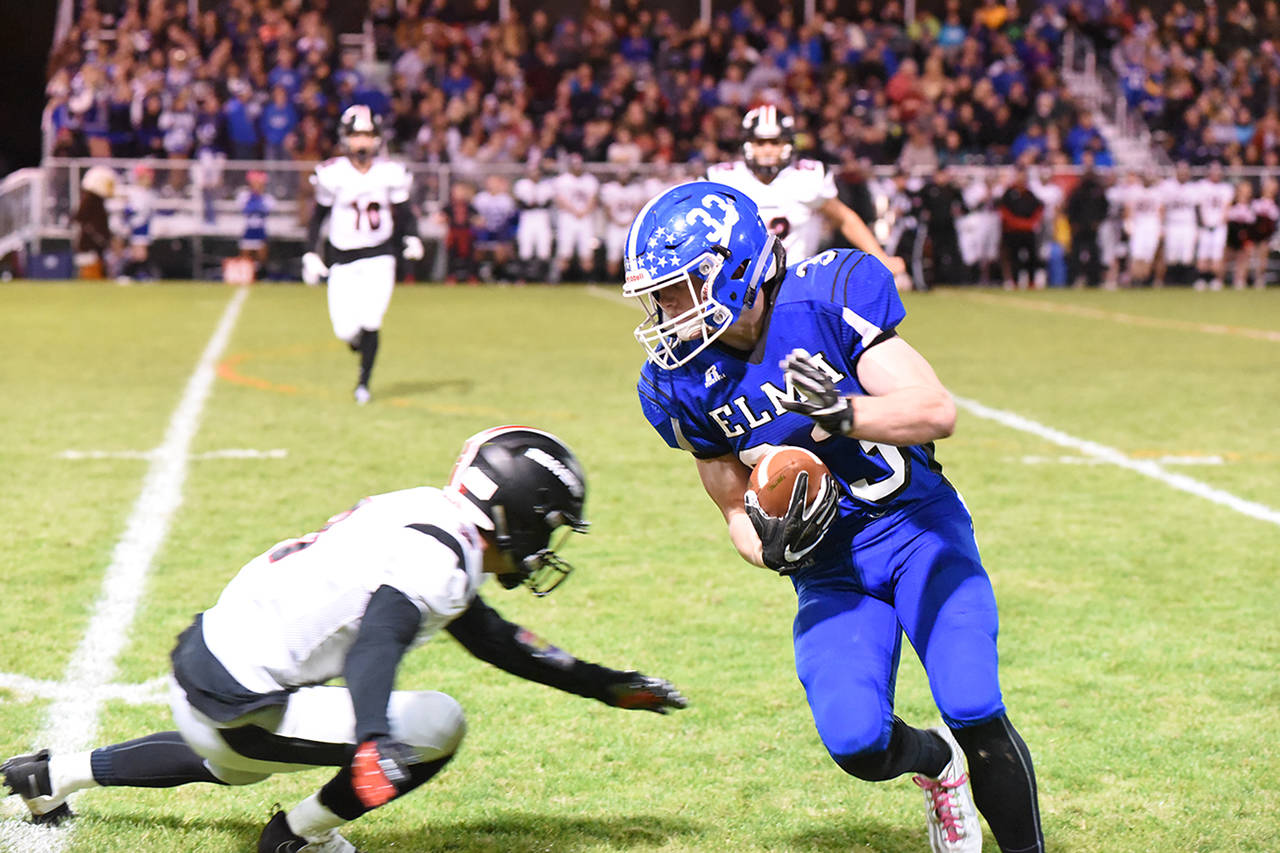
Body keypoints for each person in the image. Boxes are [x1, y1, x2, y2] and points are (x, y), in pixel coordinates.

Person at [3, 426, 687, 853]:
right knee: (439, 723)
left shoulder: (429, 511)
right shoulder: (443, 561)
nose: (546, 544)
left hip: (210, 664)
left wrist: (602, 683)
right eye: (549, 525)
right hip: (239, 699)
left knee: (234, 762)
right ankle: (298, 836)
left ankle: (50, 774)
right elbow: (378, 642)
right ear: (514, 514)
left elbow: (493, 640)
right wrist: (370, 738)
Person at [621, 182, 1044, 853]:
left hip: (917, 532)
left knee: (972, 703)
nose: (664, 311)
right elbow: (735, 508)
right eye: (659, 294)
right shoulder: (679, 380)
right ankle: (938, 766)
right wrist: (771, 550)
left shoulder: (827, 294)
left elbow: (936, 410)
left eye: (677, 290)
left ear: (733, 270)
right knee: (856, 741)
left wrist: (846, 414)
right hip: (830, 570)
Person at [302, 105, 425, 405]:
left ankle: (363, 384)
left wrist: (412, 236)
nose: (362, 142)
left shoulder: (389, 173)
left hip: (379, 256)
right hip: (342, 259)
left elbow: (405, 211)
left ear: (377, 139)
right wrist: (310, 252)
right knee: (345, 329)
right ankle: (362, 348)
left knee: (371, 319)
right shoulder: (332, 173)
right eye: (356, 134)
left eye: (367, 135)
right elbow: (318, 216)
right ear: (345, 138)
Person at [706, 106, 905, 278]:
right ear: (747, 144)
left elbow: (845, 219)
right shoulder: (724, 179)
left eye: (775, 142)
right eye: (760, 142)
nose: (767, 150)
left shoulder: (807, 177)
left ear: (788, 144)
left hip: (794, 280)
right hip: (738, 282)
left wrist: (881, 257)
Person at [550, 153, 599, 283]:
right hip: (568, 217)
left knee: (587, 251)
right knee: (564, 250)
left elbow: (593, 199)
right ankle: (560, 279)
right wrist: (575, 211)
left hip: (585, 217)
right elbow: (559, 199)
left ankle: (588, 279)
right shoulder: (562, 180)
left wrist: (583, 211)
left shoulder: (589, 180)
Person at [997, 169, 1044, 289]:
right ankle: (1014, 281)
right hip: (1013, 231)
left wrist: (1029, 223)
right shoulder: (1009, 193)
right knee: (1014, 257)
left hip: (1028, 231)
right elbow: (1003, 210)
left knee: (1032, 256)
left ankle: (1031, 282)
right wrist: (1016, 223)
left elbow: (1038, 209)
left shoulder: (1029, 194)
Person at [1193, 161, 1234, 290]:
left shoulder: (1226, 188)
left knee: (1217, 254)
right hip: (1205, 225)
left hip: (1219, 226)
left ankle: (1216, 279)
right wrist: (1202, 222)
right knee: (1203, 254)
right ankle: (1202, 279)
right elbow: (1198, 206)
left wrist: (1220, 222)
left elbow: (1227, 208)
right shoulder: (1201, 186)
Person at [512, 160, 556, 282]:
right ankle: (521, 278)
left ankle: (544, 278)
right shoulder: (522, 184)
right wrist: (533, 204)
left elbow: (548, 203)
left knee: (544, 246)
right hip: (527, 216)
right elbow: (520, 203)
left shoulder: (546, 186)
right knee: (525, 246)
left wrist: (535, 204)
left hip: (542, 216)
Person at [74, 165, 115, 279]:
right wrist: (99, 237)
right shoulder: (91, 200)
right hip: (90, 245)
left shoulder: (97, 200)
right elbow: (80, 217)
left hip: (96, 246)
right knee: (91, 275)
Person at [120, 162, 157, 282]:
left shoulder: (150, 193)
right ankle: (130, 274)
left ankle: (135, 274)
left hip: (144, 225)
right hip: (136, 225)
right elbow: (129, 208)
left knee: (140, 253)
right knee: (139, 253)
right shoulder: (134, 192)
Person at [237, 169, 273, 275]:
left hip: (260, 231)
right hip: (248, 230)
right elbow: (245, 209)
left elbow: (265, 210)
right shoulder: (244, 196)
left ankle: (261, 275)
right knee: (245, 256)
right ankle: (246, 275)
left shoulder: (267, 198)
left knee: (262, 255)